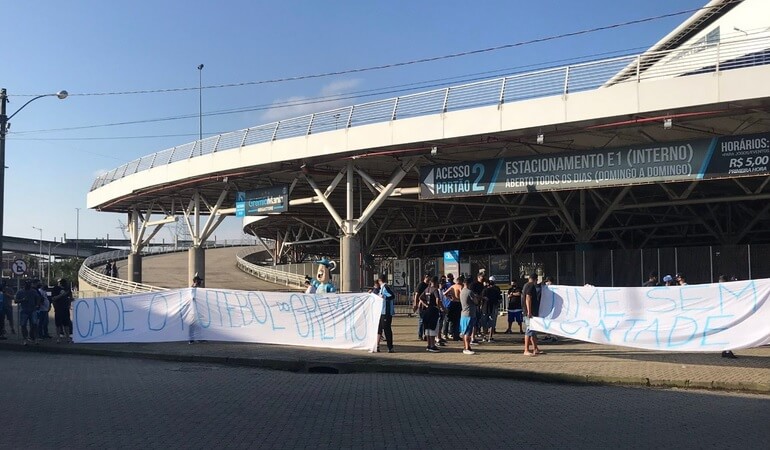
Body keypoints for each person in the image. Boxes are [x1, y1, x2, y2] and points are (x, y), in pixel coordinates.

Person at [717, 274, 738, 359]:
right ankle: (727, 351)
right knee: (728, 333)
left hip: (722, 314)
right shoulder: (726, 289)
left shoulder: (718, 289)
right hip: (726, 315)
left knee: (725, 333)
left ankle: (725, 350)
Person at [522, 273, 542, 356]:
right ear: (535, 279)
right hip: (530, 312)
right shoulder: (530, 286)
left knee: (533, 331)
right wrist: (529, 311)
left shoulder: (526, 285)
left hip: (529, 311)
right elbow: (528, 298)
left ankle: (535, 348)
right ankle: (526, 349)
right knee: (529, 330)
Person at [375, 274, 395, 353]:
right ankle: (377, 345)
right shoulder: (382, 288)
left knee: (387, 329)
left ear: (380, 280)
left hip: (386, 312)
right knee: (379, 328)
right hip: (381, 312)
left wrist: (384, 297)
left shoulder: (385, 287)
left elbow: (392, 296)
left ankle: (390, 347)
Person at [459, 277, 477, 355]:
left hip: (463, 314)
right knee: (468, 332)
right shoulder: (470, 292)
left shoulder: (462, 291)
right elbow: (475, 301)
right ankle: (467, 348)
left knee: (464, 331)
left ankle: (466, 346)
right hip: (469, 314)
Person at [52, 278, 74, 343]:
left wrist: (70, 301)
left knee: (66, 324)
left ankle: (67, 337)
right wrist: (61, 295)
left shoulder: (67, 289)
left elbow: (70, 297)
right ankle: (58, 338)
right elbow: (54, 298)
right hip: (58, 308)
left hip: (65, 308)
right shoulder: (56, 288)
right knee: (58, 324)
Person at [481, 276, 502, 342]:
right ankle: (490, 337)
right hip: (493, 308)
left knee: (484, 323)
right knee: (492, 324)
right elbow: (500, 299)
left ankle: (484, 337)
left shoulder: (484, 290)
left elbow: (481, 299)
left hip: (485, 308)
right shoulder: (496, 290)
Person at [412, 274, 430, 340]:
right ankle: (420, 335)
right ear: (425, 278)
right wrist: (415, 304)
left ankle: (425, 335)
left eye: (429, 277)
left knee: (426, 320)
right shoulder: (421, 285)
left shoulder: (429, 285)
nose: (428, 279)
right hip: (421, 305)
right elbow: (417, 295)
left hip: (427, 305)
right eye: (427, 277)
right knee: (421, 320)